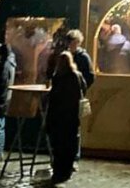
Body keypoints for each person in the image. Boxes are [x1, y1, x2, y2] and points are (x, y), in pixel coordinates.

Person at [45, 51, 85, 184]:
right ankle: (67, 170)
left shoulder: (58, 77)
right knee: (70, 143)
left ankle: (58, 171)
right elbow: (83, 89)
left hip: (58, 116)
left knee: (59, 145)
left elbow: (53, 99)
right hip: (72, 116)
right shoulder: (77, 76)